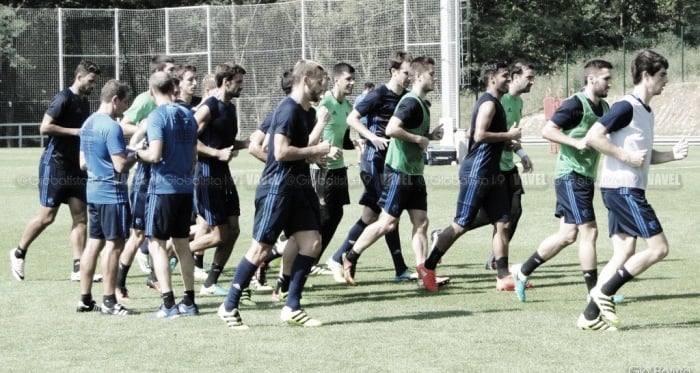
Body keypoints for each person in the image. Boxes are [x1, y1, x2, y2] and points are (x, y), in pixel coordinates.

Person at [217, 59, 337, 330]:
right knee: (261, 249)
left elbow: (300, 148)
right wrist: (314, 152)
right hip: (278, 188)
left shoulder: (307, 112)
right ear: (305, 80)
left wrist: (314, 157)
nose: (323, 88)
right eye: (320, 83)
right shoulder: (287, 110)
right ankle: (228, 306)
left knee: (312, 243)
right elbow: (280, 152)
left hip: (299, 186)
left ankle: (292, 306)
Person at [576, 50, 688, 331]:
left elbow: (644, 156)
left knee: (624, 250)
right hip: (623, 189)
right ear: (647, 75)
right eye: (662, 75)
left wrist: (672, 155)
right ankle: (603, 293)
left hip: (622, 189)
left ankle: (588, 316)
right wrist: (625, 157)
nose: (666, 81)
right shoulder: (626, 106)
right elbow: (593, 137)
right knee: (659, 248)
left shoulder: (645, 111)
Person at [511, 60, 614, 302]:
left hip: (585, 177)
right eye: (606, 78)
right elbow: (548, 130)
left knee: (567, 235)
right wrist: (575, 142)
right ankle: (595, 294)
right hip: (570, 175)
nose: (610, 83)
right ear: (591, 80)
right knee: (590, 231)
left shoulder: (606, 107)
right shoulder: (575, 104)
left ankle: (523, 272)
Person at [419, 60, 521, 292]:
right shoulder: (488, 104)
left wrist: (507, 144)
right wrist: (508, 134)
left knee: (503, 222)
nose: (509, 79)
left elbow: (487, 138)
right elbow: (479, 134)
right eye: (505, 75)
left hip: (491, 172)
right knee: (461, 223)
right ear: (492, 78)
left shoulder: (497, 102)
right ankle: (428, 266)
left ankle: (503, 276)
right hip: (477, 172)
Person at [340, 56, 444, 287]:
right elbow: (392, 129)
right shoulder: (409, 102)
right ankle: (350, 255)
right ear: (419, 77)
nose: (435, 78)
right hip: (399, 172)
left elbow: (410, 134)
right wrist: (418, 138)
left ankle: (423, 274)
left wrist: (428, 137)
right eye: (432, 74)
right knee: (386, 223)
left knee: (421, 222)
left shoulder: (421, 103)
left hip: (415, 172)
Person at [10, 60, 101, 282]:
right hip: (55, 165)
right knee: (47, 217)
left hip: (75, 168)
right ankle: (18, 252)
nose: (93, 86)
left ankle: (78, 268)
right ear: (79, 77)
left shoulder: (85, 102)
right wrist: (75, 132)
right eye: (90, 81)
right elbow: (45, 127)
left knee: (80, 217)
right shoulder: (63, 98)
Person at [327, 52, 413, 283]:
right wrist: (371, 137)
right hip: (373, 162)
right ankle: (397, 267)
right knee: (386, 214)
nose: (409, 77)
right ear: (394, 71)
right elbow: (352, 119)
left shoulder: (406, 97)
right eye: (406, 73)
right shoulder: (378, 95)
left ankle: (339, 258)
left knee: (376, 215)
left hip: (391, 163)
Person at [134, 71, 199, 318]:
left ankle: (168, 304)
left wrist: (137, 152)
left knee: (156, 245)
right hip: (185, 188)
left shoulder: (156, 116)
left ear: (152, 92)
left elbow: (155, 155)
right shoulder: (188, 115)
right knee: (183, 245)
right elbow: (193, 156)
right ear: (173, 88)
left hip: (163, 188)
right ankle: (190, 301)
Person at [114, 55, 176, 300]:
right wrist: (147, 131)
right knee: (139, 233)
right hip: (146, 177)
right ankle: (118, 284)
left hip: (167, 179)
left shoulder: (173, 104)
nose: (175, 75)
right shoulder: (145, 100)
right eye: (171, 70)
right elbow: (125, 126)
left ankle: (156, 278)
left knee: (165, 234)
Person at [191, 63, 251, 299]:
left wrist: (245, 143)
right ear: (226, 82)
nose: (241, 87)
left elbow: (224, 142)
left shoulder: (230, 108)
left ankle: (210, 282)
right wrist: (216, 154)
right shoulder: (208, 108)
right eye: (238, 83)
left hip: (223, 175)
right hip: (206, 175)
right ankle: (173, 252)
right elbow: (188, 139)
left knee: (234, 230)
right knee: (218, 235)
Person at [76, 79, 136, 315]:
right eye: (124, 104)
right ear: (115, 100)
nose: (124, 109)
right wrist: (137, 154)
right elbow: (121, 165)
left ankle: (85, 299)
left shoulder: (88, 123)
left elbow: (82, 163)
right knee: (114, 245)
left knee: (93, 244)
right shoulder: (111, 127)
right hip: (112, 194)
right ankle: (110, 301)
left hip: (93, 191)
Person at [475, 61, 535, 271]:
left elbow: (510, 136)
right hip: (492, 166)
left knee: (514, 212)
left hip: (508, 166)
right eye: (529, 77)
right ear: (515, 76)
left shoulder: (518, 103)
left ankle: (495, 258)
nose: (532, 81)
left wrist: (521, 153)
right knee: (492, 215)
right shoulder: (498, 99)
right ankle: (443, 235)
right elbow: (477, 133)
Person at [308, 62, 356, 269]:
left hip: (339, 168)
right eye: (348, 79)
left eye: (353, 79)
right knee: (320, 217)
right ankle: (287, 254)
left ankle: (312, 261)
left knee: (335, 215)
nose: (352, 83)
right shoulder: (324, 103)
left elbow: (343, 138)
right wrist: (325, 150)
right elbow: (310, 138)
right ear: (336, 80)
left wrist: (359, 142)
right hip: (321, 169)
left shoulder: (347, 106)